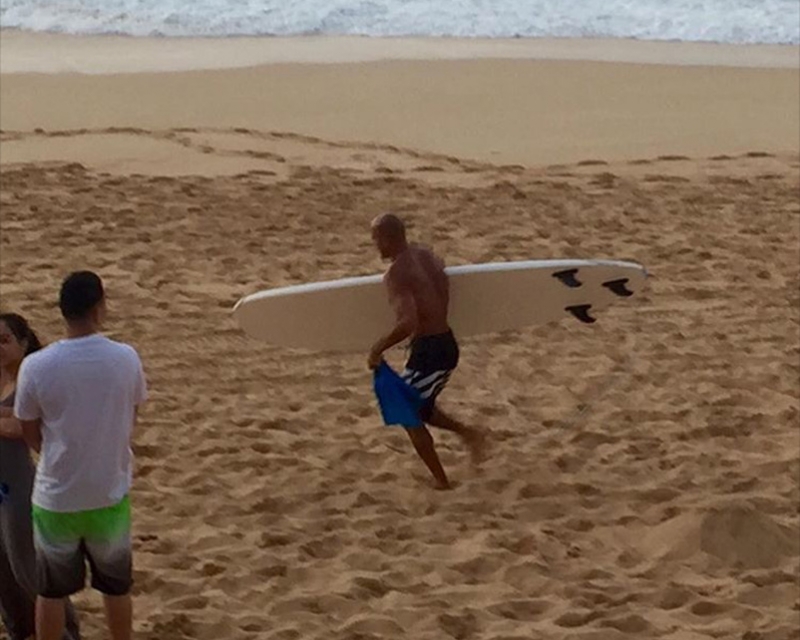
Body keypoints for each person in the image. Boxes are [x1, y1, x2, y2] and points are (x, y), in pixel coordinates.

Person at [14, 272, 148, 640]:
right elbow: (130, 417)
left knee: (52, 591)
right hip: (108, 490)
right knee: (116, 586)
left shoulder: (38, 365)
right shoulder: (125, 358)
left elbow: (29, 429)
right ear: (99, 308)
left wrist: (57, 452)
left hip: (57, 494)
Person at [368, 214, 485, 490]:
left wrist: (377, 349)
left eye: (376, 239)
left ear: (387, 238)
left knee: (407, 410)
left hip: (431, 352)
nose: (375, 246)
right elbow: (442, 291)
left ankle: (442, 481)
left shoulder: (396, 274)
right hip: (444, 342)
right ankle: (470, 435)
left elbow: (407, 323)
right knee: (421, 405)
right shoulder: (426, 256)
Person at [0, 313, 81, 640]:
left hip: (17, 487)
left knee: (29, 569)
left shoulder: (31, 381)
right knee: (3, 574)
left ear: (23, 342)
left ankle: (65, 634)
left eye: (4, 340)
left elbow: (24, 427)